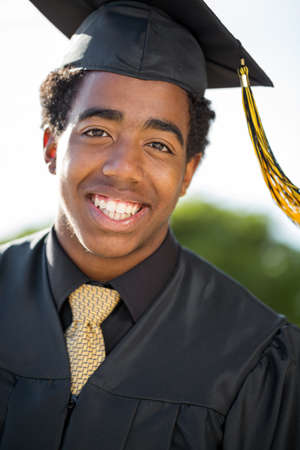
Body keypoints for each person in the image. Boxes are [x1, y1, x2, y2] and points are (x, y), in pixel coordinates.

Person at [0, 1, 299, 449]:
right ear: (50, 145)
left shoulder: (259, 358)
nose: (124, 170)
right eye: (97, 132)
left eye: (159, 144)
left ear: (188, 174)